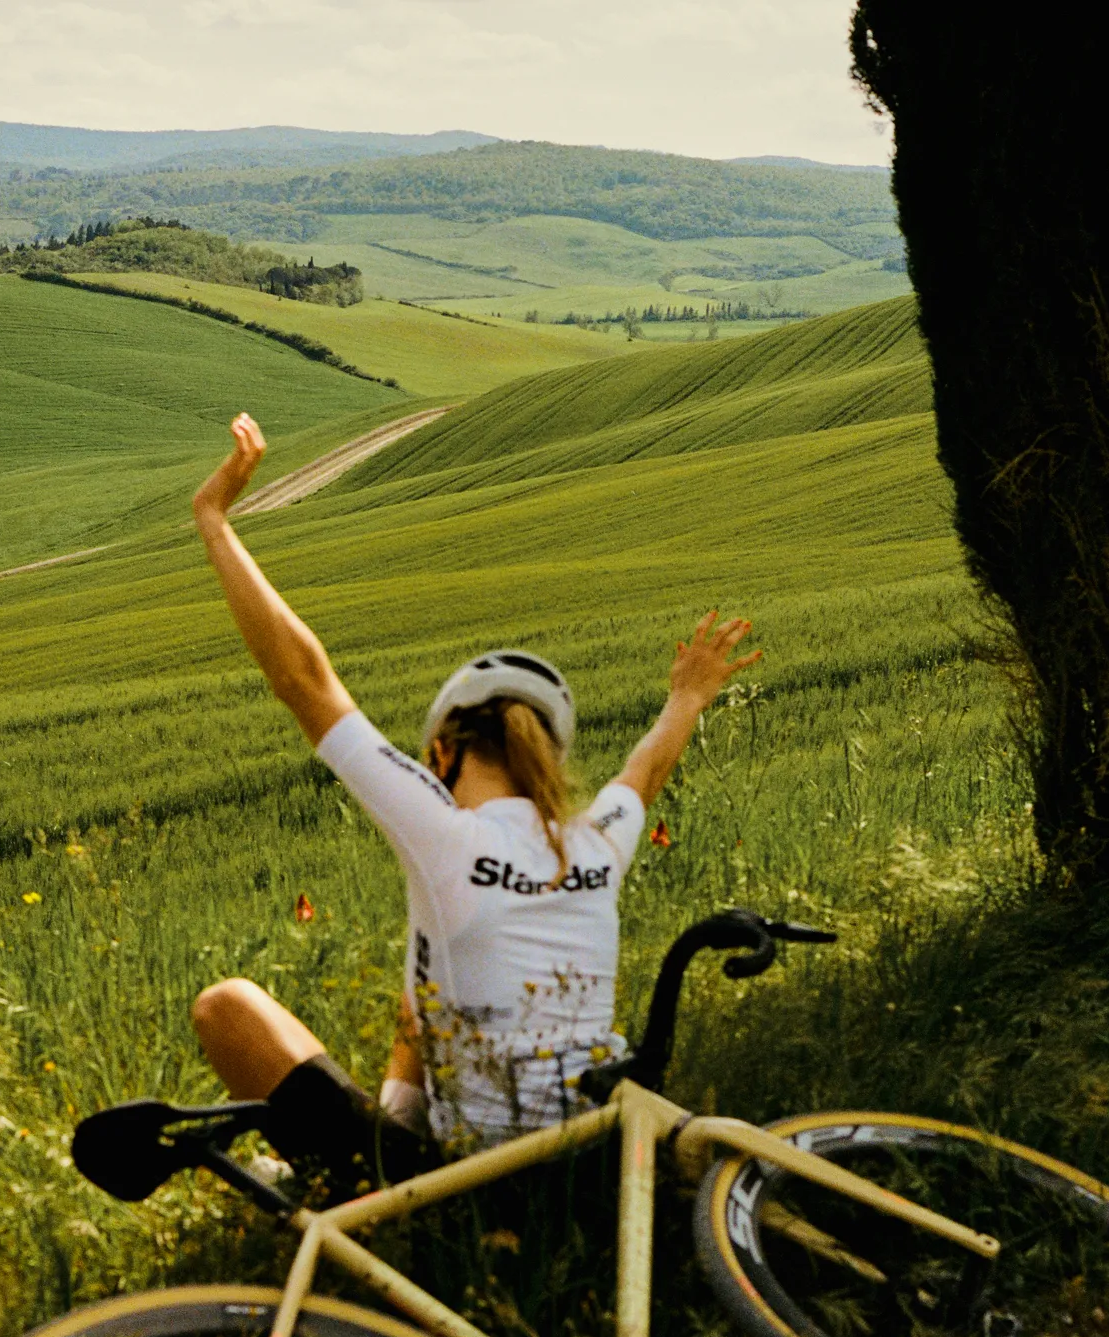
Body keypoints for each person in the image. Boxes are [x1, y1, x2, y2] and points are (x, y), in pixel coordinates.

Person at [189, 413, 761, 1190]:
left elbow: (304, 680)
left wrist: (215, 523)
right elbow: (644, 772)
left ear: (443, 754)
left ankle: (348, 1179)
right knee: (430, 972)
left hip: (473, 1178)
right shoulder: (596, 841)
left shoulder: (443, 835)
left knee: (227, 1007)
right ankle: (390, 1131)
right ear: (546, 759)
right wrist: (688, 695)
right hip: (602, 1151)